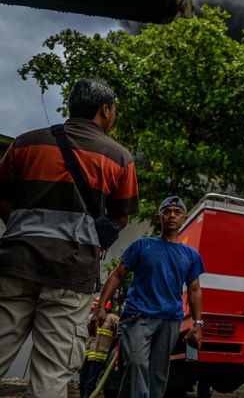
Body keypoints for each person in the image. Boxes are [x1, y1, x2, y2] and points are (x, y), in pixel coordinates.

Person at [0, 78, 139, 397]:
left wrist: (24, 228)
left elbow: (3, 195)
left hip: (15, 264)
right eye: (115, 108)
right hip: (71, 273)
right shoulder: (119, 157)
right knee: (51, 374)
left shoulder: (25, 143)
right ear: (106, 109)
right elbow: (120, 217)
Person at [95, 196, 204, 398]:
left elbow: (194, 289)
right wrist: (101, 306)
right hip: (138, 317)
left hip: (170, 320)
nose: (172, 215)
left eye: (177, 212)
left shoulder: (190, 255)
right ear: (158, 217)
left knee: (157, 373)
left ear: (184, 219)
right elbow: (117, 275)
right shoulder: (142, 245)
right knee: (136, 363)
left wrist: (197, 323)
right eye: (167, 211)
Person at [79, 299, 119, 398]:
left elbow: (121, 329)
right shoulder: (89, 318)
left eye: (98, 306)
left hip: (100, 357)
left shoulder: (112, 318)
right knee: (82, 380)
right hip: (87, 356)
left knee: (90, 382)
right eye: (95, 305)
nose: (95, 308)